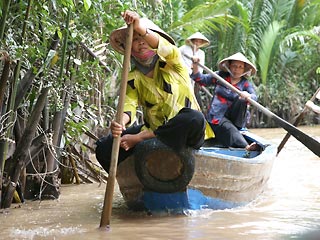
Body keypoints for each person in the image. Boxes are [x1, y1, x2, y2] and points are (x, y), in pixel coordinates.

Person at [95, 10, 214, 173]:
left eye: (144, 38)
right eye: (135, 40)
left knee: (194, 118)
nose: (141, 42)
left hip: (183, 133)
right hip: (153, 128)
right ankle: (138, 179)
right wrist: (121, 122)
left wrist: (140, 27)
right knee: (103, 148)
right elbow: (128, 104)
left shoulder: (173, 61)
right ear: (130, 48)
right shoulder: (132, 78)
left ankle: (143, 139)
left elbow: (166, 48)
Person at [190, 52, 258, 150]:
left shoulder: (245, 83)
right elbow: (201, 79)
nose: (237, 69)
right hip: (217, 115)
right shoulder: (220, 76)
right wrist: (196, 65)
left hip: (236, 119)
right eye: (234, 66)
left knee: (242, 100)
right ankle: (246, 146)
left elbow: (254, 97)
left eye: (240, 67)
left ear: (244, 70)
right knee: (227, 126)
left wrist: (248, 95)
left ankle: (243, 141)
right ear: (229, 66)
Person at [179, 32, 210, 112]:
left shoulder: (201, 53)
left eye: (199, 41)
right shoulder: (183, 49)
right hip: (182, 74)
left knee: (192, 94)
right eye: (196, 41)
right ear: (192, 41)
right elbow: (177, 58)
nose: (197, 43)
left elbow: (201, 67)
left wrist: (198, 78)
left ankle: (189, 109)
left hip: (193, 77)